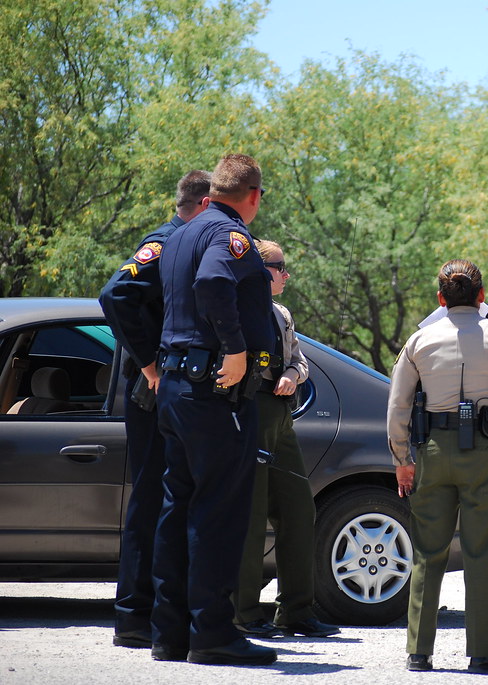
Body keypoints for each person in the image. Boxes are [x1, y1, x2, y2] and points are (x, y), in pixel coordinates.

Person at [151, 154, 277, 666]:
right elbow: (212, 283)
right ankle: (213, 635)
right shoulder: (230, 235)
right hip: (213, 393)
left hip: (177, 387)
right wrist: (236, 348)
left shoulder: (181, 233)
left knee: (176, 508)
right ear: (254, 196)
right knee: (218, 512)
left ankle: (170, 633)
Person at [387, 259, 488, 674]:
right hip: (484, 452)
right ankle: (484, 651)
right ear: (481, 296)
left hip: (433, 450)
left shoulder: (420, 339)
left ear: (441, 299)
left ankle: (419, 651)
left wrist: (402, 459)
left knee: (428, 552)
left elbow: (398, 405)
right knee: (482, 551)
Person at [99, 169, 211, 649]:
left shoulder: (183, 243)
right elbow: (114, 295)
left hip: (167, 389)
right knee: (150, 499)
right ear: (204, 205)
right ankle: (133, 616)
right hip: (152, 390)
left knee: (163, 499)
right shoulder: (165, 243)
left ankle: (150, 614)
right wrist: (149, 364)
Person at [233, 239, 340, 639]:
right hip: (250, 411)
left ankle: (296, 611)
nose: (286, 274)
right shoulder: (238, 309)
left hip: (281, 417)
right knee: (250, 516)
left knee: (298, 510)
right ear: (260, 270)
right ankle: (243, 612)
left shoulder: (281, 313)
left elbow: (299, 360)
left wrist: (293, 375)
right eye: (280, 267)